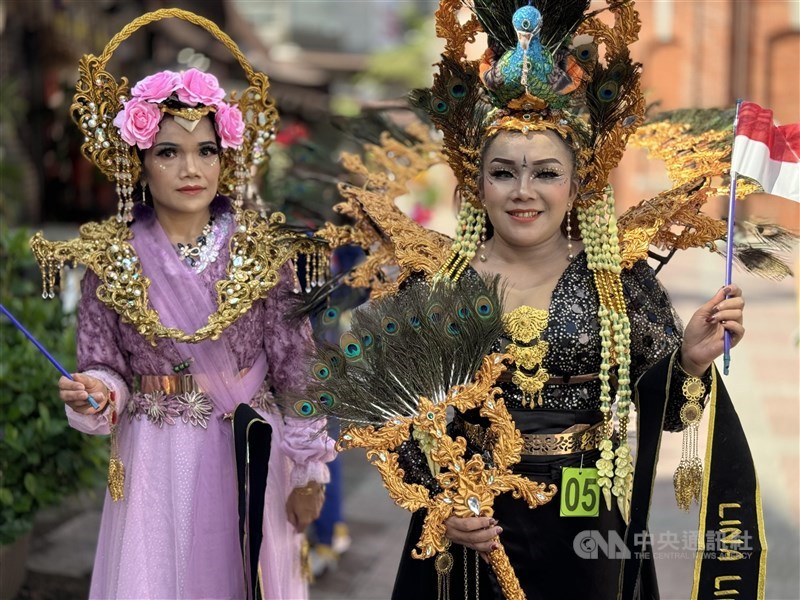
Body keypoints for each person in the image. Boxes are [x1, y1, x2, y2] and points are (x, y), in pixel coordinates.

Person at [298, 1, 764, 598]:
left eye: (545, 173)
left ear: (578, 183)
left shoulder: (617, 280)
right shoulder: (439, 282)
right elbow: (393, 415)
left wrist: (691, 360)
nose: (523, 192)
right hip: (472, 525)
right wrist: (440, 501)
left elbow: (669, 411)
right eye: (503, 173)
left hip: (586, 521)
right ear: (477, 182)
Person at [34, 9, 335, 600]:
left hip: (249, 446)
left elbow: (297, 367)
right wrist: (97, 392)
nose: (191, 169)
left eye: (206, 151)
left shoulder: (260, 251)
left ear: (226, 159)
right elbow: (103, 363)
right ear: (140, 163)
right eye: (169, 152)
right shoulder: (110, 257)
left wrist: (308, 471)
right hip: (155, 458)